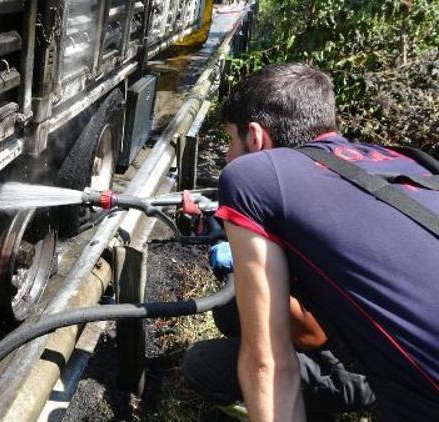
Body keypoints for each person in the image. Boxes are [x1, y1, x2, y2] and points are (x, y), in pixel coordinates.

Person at [182, 63, 439, 421]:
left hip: (415, 387)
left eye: (229, 139)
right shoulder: (405, 162)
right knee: (230, 310)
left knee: (204, 364)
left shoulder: (249, 177)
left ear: (255, 137)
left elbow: (269, 363)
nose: (226, 156)